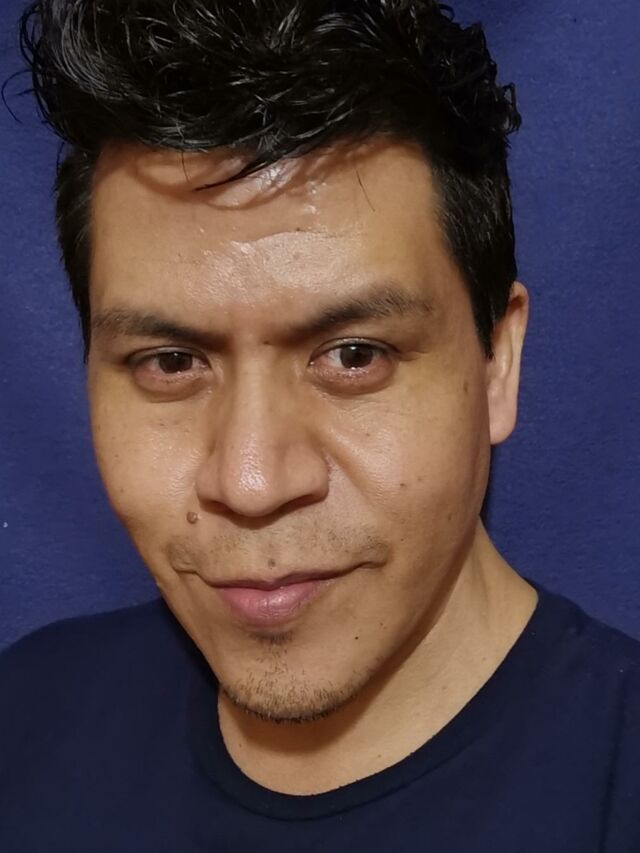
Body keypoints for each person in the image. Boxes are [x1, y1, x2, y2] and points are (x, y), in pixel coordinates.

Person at [1, 1, 638, 850]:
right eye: (171, 362)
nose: (252, 482)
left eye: (353, 355)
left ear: (499, 363)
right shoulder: (24, 721)